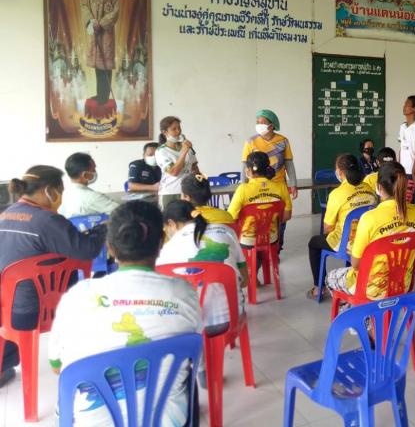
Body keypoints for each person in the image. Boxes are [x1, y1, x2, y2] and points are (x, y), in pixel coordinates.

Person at [48, 201, 202, 427]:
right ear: (161, 241)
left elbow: (56, 366)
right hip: (167, 419)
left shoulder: (76, 297)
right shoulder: (184, 292)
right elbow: (195, 354)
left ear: (109, 248)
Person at [0, 166, 106, 388]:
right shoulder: (47, 220)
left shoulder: (5, 214)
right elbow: (87, 250)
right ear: (49, 190)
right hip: (40, 311)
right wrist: (102, 230)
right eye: (60, 191)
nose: (60, 198)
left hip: (5, 309)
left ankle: (4, 366)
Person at [327, 161, 415, 300]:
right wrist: (403, 270)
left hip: (371, 289)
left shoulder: (369, 218)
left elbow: (356, 264)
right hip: (402, 285)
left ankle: (355, 311)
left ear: (379, 187)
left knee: (330, 278)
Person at [159, 200, 246, 333]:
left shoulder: (167, 249)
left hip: (191, 327)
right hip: (232, 318)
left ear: (172, 224)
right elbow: (245, 280)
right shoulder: (226, 231)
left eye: (166, 229)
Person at [307, 154, 377, 299]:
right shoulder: (369, 188)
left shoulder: (337, 194)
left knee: (314, 243)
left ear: (340, 172)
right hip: (367, 240)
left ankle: (319, 288)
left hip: (347, 243)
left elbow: (328, 228)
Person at [227, 151, 292, 249]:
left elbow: (230, 218)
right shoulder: (281, 187)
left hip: (248, 241)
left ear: (249, 170)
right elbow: (287, 216)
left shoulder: (242, 189)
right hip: (271, 239)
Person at [81, 0, 119, 107]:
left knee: (106, 63)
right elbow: (84, 6)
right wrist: (92, 21)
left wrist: (101, 23)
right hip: (94, 30)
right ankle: (100, 94)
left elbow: (115, 12)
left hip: (106, 32)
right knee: (98, 64)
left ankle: (105, 95)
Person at [241, 109, 297, 199]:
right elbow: (245, 165)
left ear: (271, 126)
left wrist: (293, 184)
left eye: (262, 122)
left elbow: (289, 164)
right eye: (257, 122)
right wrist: (243, 187)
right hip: (256, 187)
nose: (259, 125)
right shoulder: (250, 141)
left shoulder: (283, 141)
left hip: (278, 185)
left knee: (278, 207)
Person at [155, 116, 199, 209]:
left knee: (191, 217)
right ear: (165, 132)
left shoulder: (187, 147)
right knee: (170, 218)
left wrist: (200, 182)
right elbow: (174, 172)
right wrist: (183, 152)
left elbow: (194, 167)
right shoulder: (161, 151)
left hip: (188, 192)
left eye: (179, 128)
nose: (178, 131)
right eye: (174, 129)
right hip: (170, 193)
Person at [59, 152, 119, 218]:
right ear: (85, 175)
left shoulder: (65, 193)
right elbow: (122, 212)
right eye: (93, 169)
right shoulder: (92, 197)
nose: (95, 172)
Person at [398, 95, 415, 203]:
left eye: (407, 105)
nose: (404, 107)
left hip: (413, 169)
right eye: (404, 104)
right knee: (401, 199)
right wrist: (399, 166)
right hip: (403, 169)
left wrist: (414, 169)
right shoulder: (402, 127)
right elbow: (401, 149)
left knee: (409, 201)